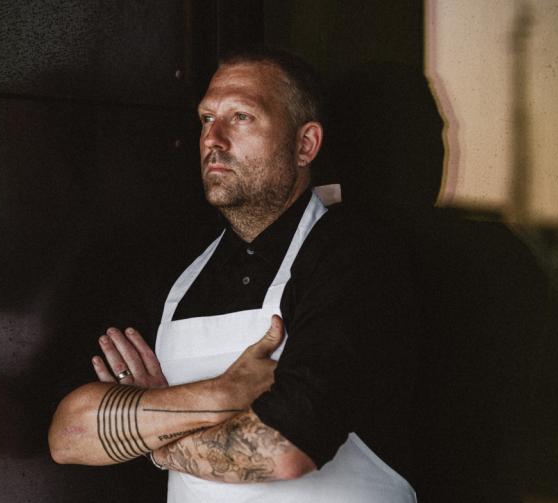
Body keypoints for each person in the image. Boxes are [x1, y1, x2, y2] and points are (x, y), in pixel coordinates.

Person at [49, 47, 419, 502]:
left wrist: (154, 437)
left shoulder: (355, 256)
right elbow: (68, 435)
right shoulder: (175, 269)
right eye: (207, 118)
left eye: (241, 117)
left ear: (305, 145)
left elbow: (284, 449)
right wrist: (223, 393)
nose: (213, 139)